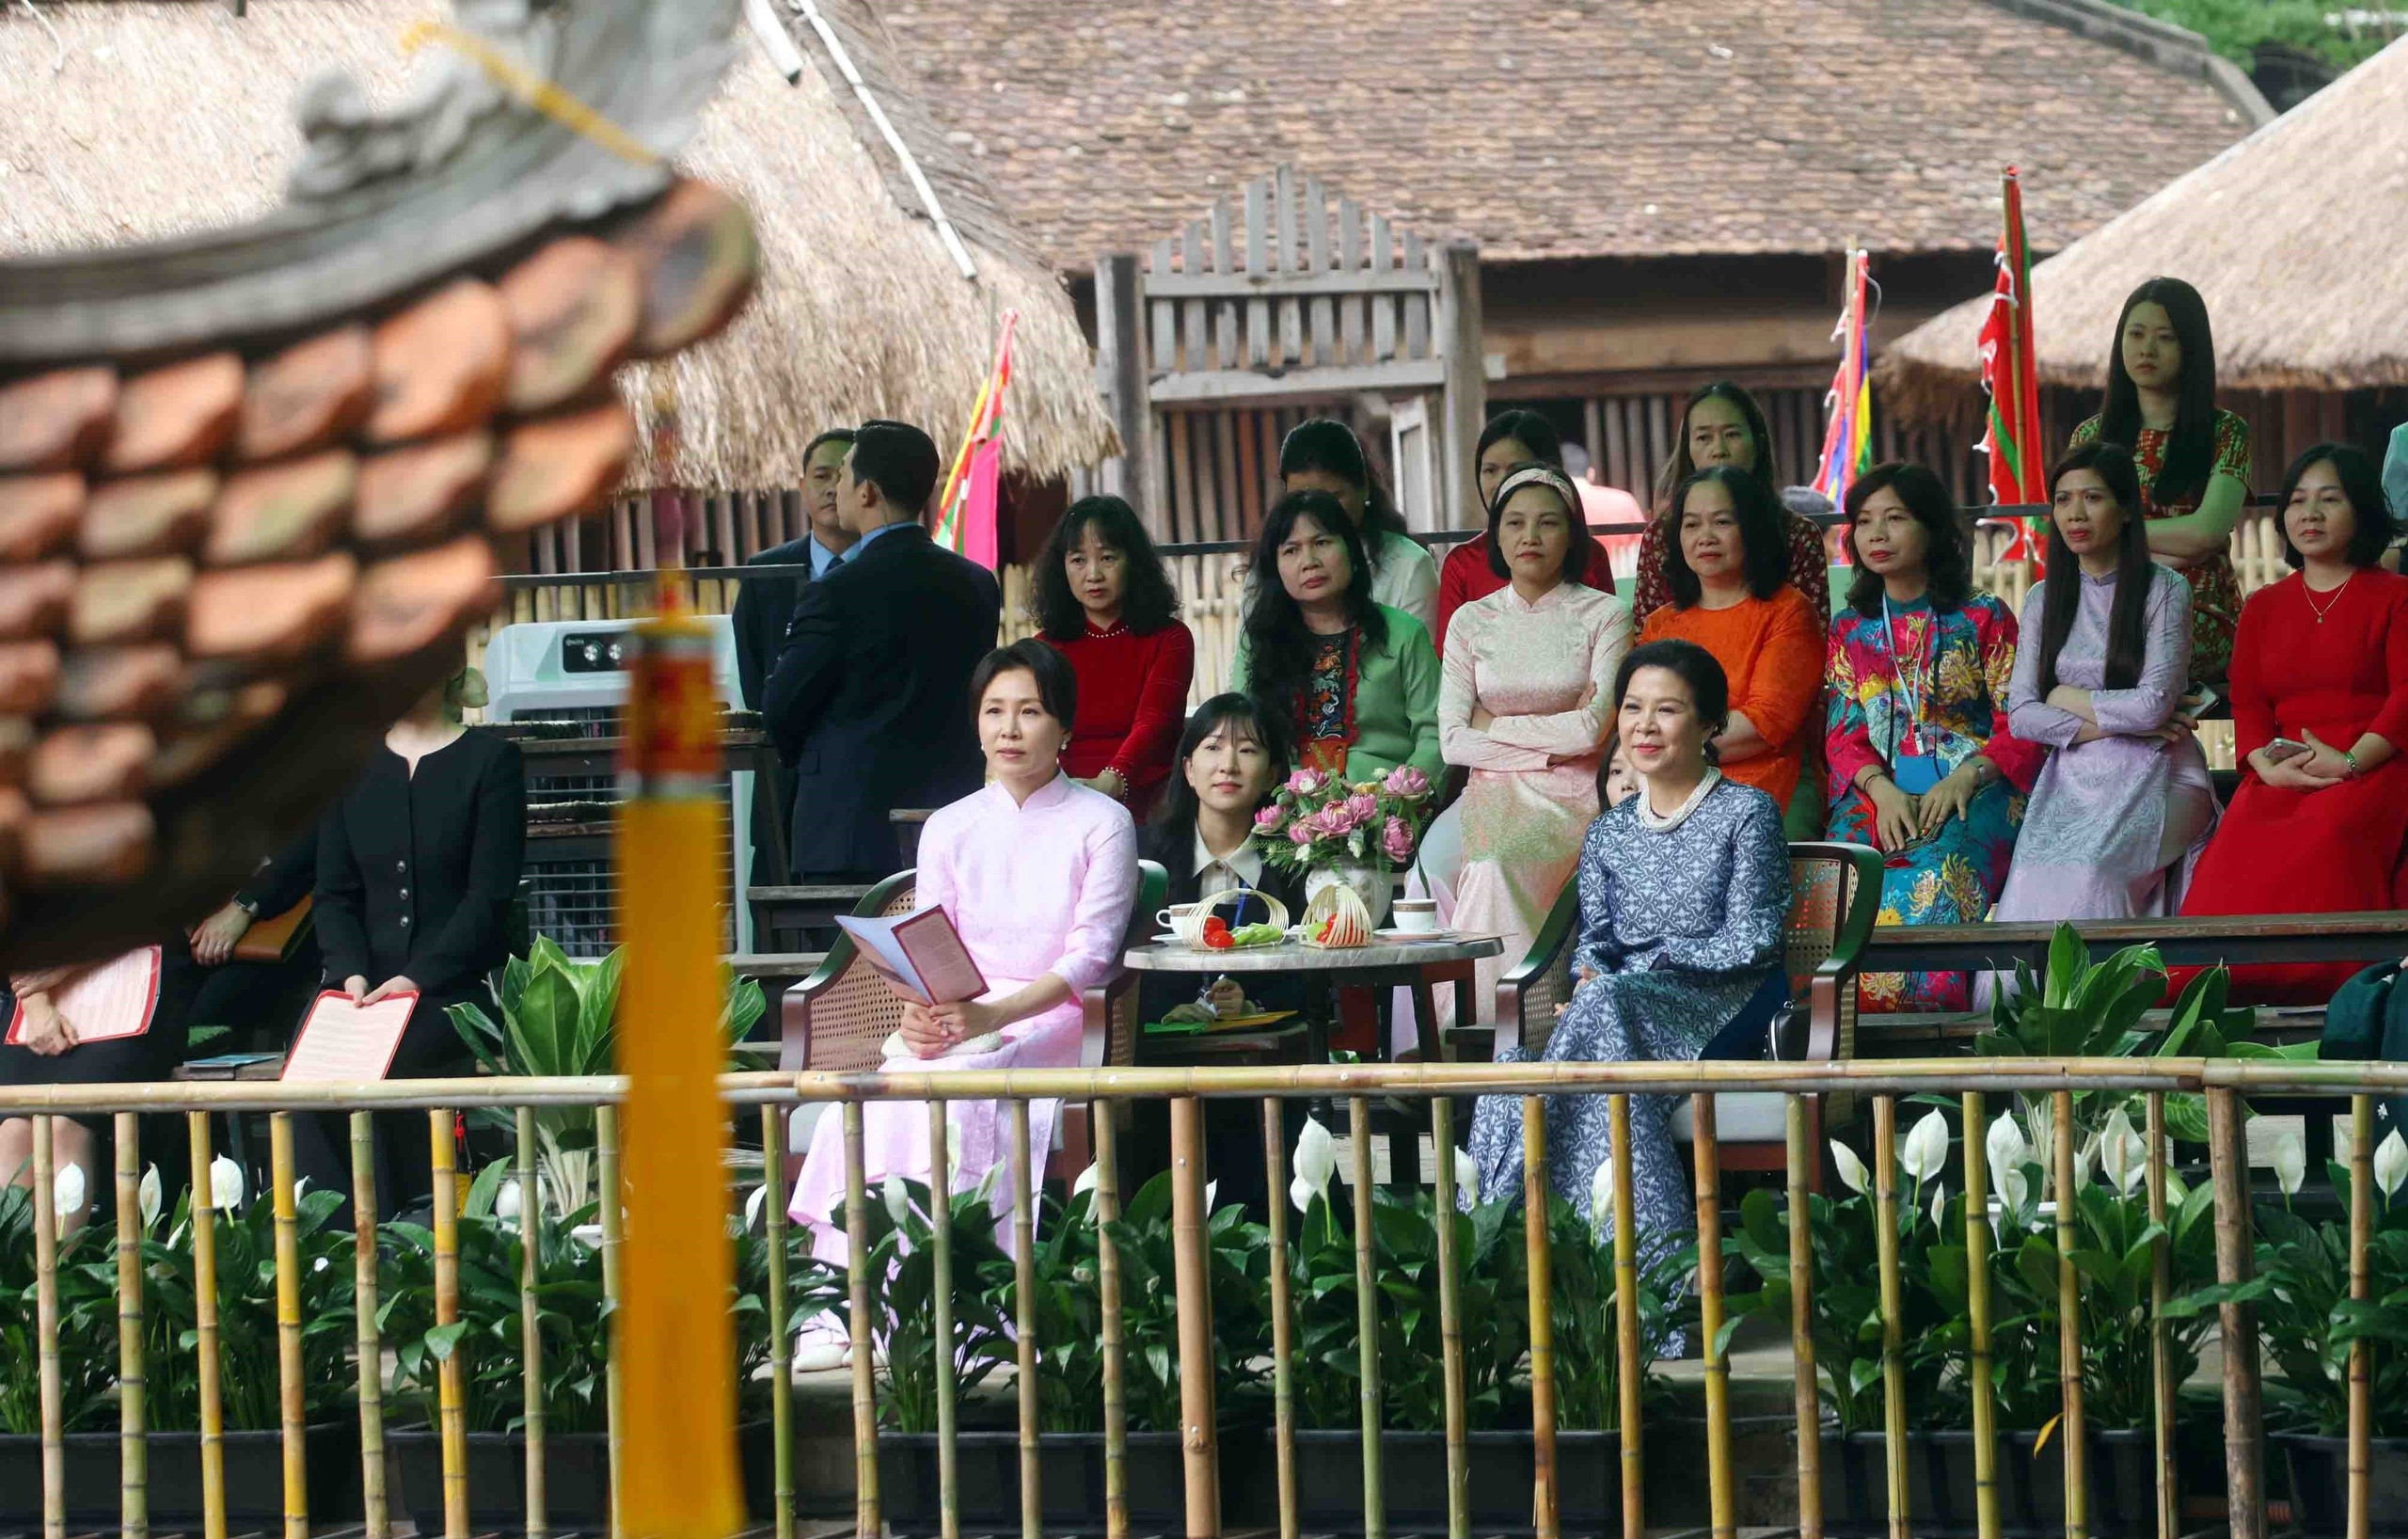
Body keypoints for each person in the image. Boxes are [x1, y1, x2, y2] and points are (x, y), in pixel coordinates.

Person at [785, 642, 1139, 1320]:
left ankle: (971, 1307)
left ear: (1065, 727)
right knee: (872, 1102)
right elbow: (927, 945)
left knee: (959, 1089)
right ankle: (862, 1307)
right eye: (994, 711)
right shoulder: (949, 826)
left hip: (1053, 1016)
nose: (1010, 729)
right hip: (958, 1017)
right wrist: (918, 1011)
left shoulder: (1103, 823)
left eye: (1030, 711)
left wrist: (996, 1016)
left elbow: (1091, 957)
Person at [1466, 641, 1790, 1255]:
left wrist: (1638, 974)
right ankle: (1572, 1261)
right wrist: (1594, 976)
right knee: (1512, 1067)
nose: (1645, 725)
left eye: (1667, 709)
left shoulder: (1748, 813)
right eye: (1633, 707)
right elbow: (1595, 945)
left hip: (1723, 1000)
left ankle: (1523, 1243)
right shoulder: (1608, 831)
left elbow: (1754, 938)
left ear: (1710, 724)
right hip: (1621, 1006)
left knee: (1594, 1015)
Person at [2176, 444, 2408, 1002]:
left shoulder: (2396, 597)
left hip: (2373, 765)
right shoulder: (2264, 605)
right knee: (2240, 836)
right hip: (2284, 770)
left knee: (2333, 831)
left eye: (2330, 499)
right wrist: (2262, 761)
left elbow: (2406, 693)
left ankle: (2333, 987)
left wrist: (2350, 762)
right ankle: (2214, 993)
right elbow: (2250, 700)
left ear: (2361, 511)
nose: (2311, 514)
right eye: (2298, 501)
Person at [308, 662, 526, 1219]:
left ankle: (400, 1231)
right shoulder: (347, 764)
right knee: (310, 1069)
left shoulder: (491, 761)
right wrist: (350, 973)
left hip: (451, 988)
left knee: (395, 1059)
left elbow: (488, 898)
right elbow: (333, 894)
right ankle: (331, 1241)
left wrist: (415, 978)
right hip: (359, 990)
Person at [1825, 464, 2044, 1012]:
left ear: (1934, 529)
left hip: (1978, 784)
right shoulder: (1849, 628)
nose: (1876, 534)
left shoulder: (1984, 616)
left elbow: (2021, 723)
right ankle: (1839, 1021)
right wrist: (1882, 791)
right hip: (1879, 789)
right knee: (1841, 870)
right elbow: (1844, 734)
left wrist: (1966, 778)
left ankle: (1935, 1026)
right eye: (1864, 521)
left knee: (1940, 864)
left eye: (1895, 518)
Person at [765, 420, 1003, 881]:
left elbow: (781, 710)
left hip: (848, 829)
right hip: (950, 818)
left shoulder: (834, 591)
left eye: (843, 474)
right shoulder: (977, 585)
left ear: (868, 492)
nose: (836, 488)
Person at [1989, 443, 2214, 931]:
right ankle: (2032, 988)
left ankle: (2112, 984)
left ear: (2127, 509)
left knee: (2094, 874)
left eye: (2092, 497)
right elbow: (2022, 715)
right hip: (2072, 775)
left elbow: (2153, 705)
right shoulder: (2043, 598)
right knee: (2032, 876)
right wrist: (2120, 725)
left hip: (2161, 770)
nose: (2075, 513)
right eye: (2063, 499)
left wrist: (2062, 697)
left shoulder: (2166, 590)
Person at [1438, 463, 1629, 1026]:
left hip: (1576, 789)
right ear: (1495, 537)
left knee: (1498, 867)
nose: (1530, 536)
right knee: (1471, 869)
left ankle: (1517, 1024)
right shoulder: (1471, 621)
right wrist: (1553, 737)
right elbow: (1452, 742)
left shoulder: (1607, 615)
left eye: (1548, 523)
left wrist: (1492, 723)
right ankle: (1475, 1028)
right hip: (1490, 785)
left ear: (1572, 535)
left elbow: (1593, 731)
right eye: (1515, 522)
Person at [1131, 696, 1308, 1215]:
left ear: (1272, 773)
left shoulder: (1298, 862)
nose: (1228, 765)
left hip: (1263, 1075)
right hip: (1162, 1072)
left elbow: (1316, 975)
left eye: (1247, 750)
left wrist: (1251, 1005)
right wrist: (1172, 1009)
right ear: (1188, 768)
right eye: (1212, 748)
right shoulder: (1145, 859)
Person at [2067, 278, 2251, 683]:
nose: (2147, 349)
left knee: (2137, 657)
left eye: (2165, 337)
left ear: (2191, 347)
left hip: (2197, 612)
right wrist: (2172, 546)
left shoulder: (2226, 432)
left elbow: (2206, 532)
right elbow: (2076, 536)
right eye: (2136, 334)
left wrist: (2117, 538)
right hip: (2105, 607)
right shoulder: (2089, 438)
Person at [1637, 466, 1825, 813]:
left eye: (1722, 522)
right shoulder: (1659, 624)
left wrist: (1670, 748)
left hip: (1765, 783)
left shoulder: (1789, 612)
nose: (1705, 536)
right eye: (1691, 524)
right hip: (1668, 783)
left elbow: (1765, 723)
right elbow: (1638, 714)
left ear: (1753, 529)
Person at [1232, 490, 1443, 788]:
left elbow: (1435, 734)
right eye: (1291, 550)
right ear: (1276, 570)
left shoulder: (1404, 634)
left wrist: (1398, 799)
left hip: (1388, 803)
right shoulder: (1260, 641)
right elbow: (1243, 732)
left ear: (1352, 552)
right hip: (1287, 803)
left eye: (1322, 543)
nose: (1309, 561)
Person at [1, 944, 204, 1233]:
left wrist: (65, 964)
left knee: (65, 1123)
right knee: (13, 1128)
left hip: (137, 971)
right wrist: (35, 1004)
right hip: (41, 989)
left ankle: (59, 1258)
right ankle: (17, 1260)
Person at [1032, 495, 1196, 818]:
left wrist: (1113, 780)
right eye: (1078, 560)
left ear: (1132, 561)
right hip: (1065, 801)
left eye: (1107, 558)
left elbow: (1155, 722)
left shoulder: (1170, 638)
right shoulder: (1044, 648)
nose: (1093, 574)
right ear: (1062, 568)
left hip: (1154, 803)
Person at [1632, 383, 1831, 626]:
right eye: (1704, 437)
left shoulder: (1798, 535)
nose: (1719, 450)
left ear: (1758, 443)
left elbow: (1810, 632)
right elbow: (1646, 635)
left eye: (1732, 435)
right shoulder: (1660, 537)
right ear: (1688, 449)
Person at [733, 428, 858, 711]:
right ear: (802, 487)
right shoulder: (764, 573)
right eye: (821, 476)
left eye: (843, 476)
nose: (832, 488)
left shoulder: (891, 567)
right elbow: (753, 677)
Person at [1278, 418, 1439, 631]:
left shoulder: (1410, 567)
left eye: (1333, 498)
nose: (1316, 515)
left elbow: (1417, 651)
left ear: (1364, 488)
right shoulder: (1267, 568)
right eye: (1300, 501)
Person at [1434, 409, 1567, 653]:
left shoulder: (1588, 556)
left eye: (1517, 469)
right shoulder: (1461, 563)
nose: (1502, 482)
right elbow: (1449, 659)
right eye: (1490, 470)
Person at [184, 829, 324, 1053]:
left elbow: (307, 845)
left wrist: (243, 906)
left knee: (201, 1023)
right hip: (194, 917)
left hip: (280, 916)